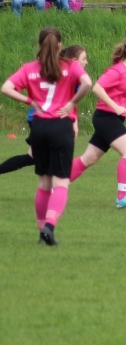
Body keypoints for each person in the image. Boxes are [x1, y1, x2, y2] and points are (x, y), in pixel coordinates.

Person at [1, 28, 92, 245]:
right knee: (61, 182)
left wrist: (30, 102)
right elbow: (88, 84)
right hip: (61, 126)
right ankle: (50, 227)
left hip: (39, 126)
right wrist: (72, 103)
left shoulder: (30, 68)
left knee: (44, 183)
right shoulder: (70, 66)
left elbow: (6, 88)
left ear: (40, 45)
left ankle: (41, 229)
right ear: (60, 46)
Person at [69, 37, 126, 209]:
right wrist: (115, 106)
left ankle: (55, 184)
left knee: (88, 159)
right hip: (106, 117)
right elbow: (97, 88)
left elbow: (125, 91)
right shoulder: (117, 70)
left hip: (112, 118)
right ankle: (122, 197)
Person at [0, 45, 87, 179]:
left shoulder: (67, 72)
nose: (86, 62)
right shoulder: (69, 73)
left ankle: (53, 185)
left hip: (43, 119)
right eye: (84, 59)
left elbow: (70, 103)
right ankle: (56, 186)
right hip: (44, 119)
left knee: (33, 157)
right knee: (53, 158)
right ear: (75, 60)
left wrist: (74, 122)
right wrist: (73, 122)